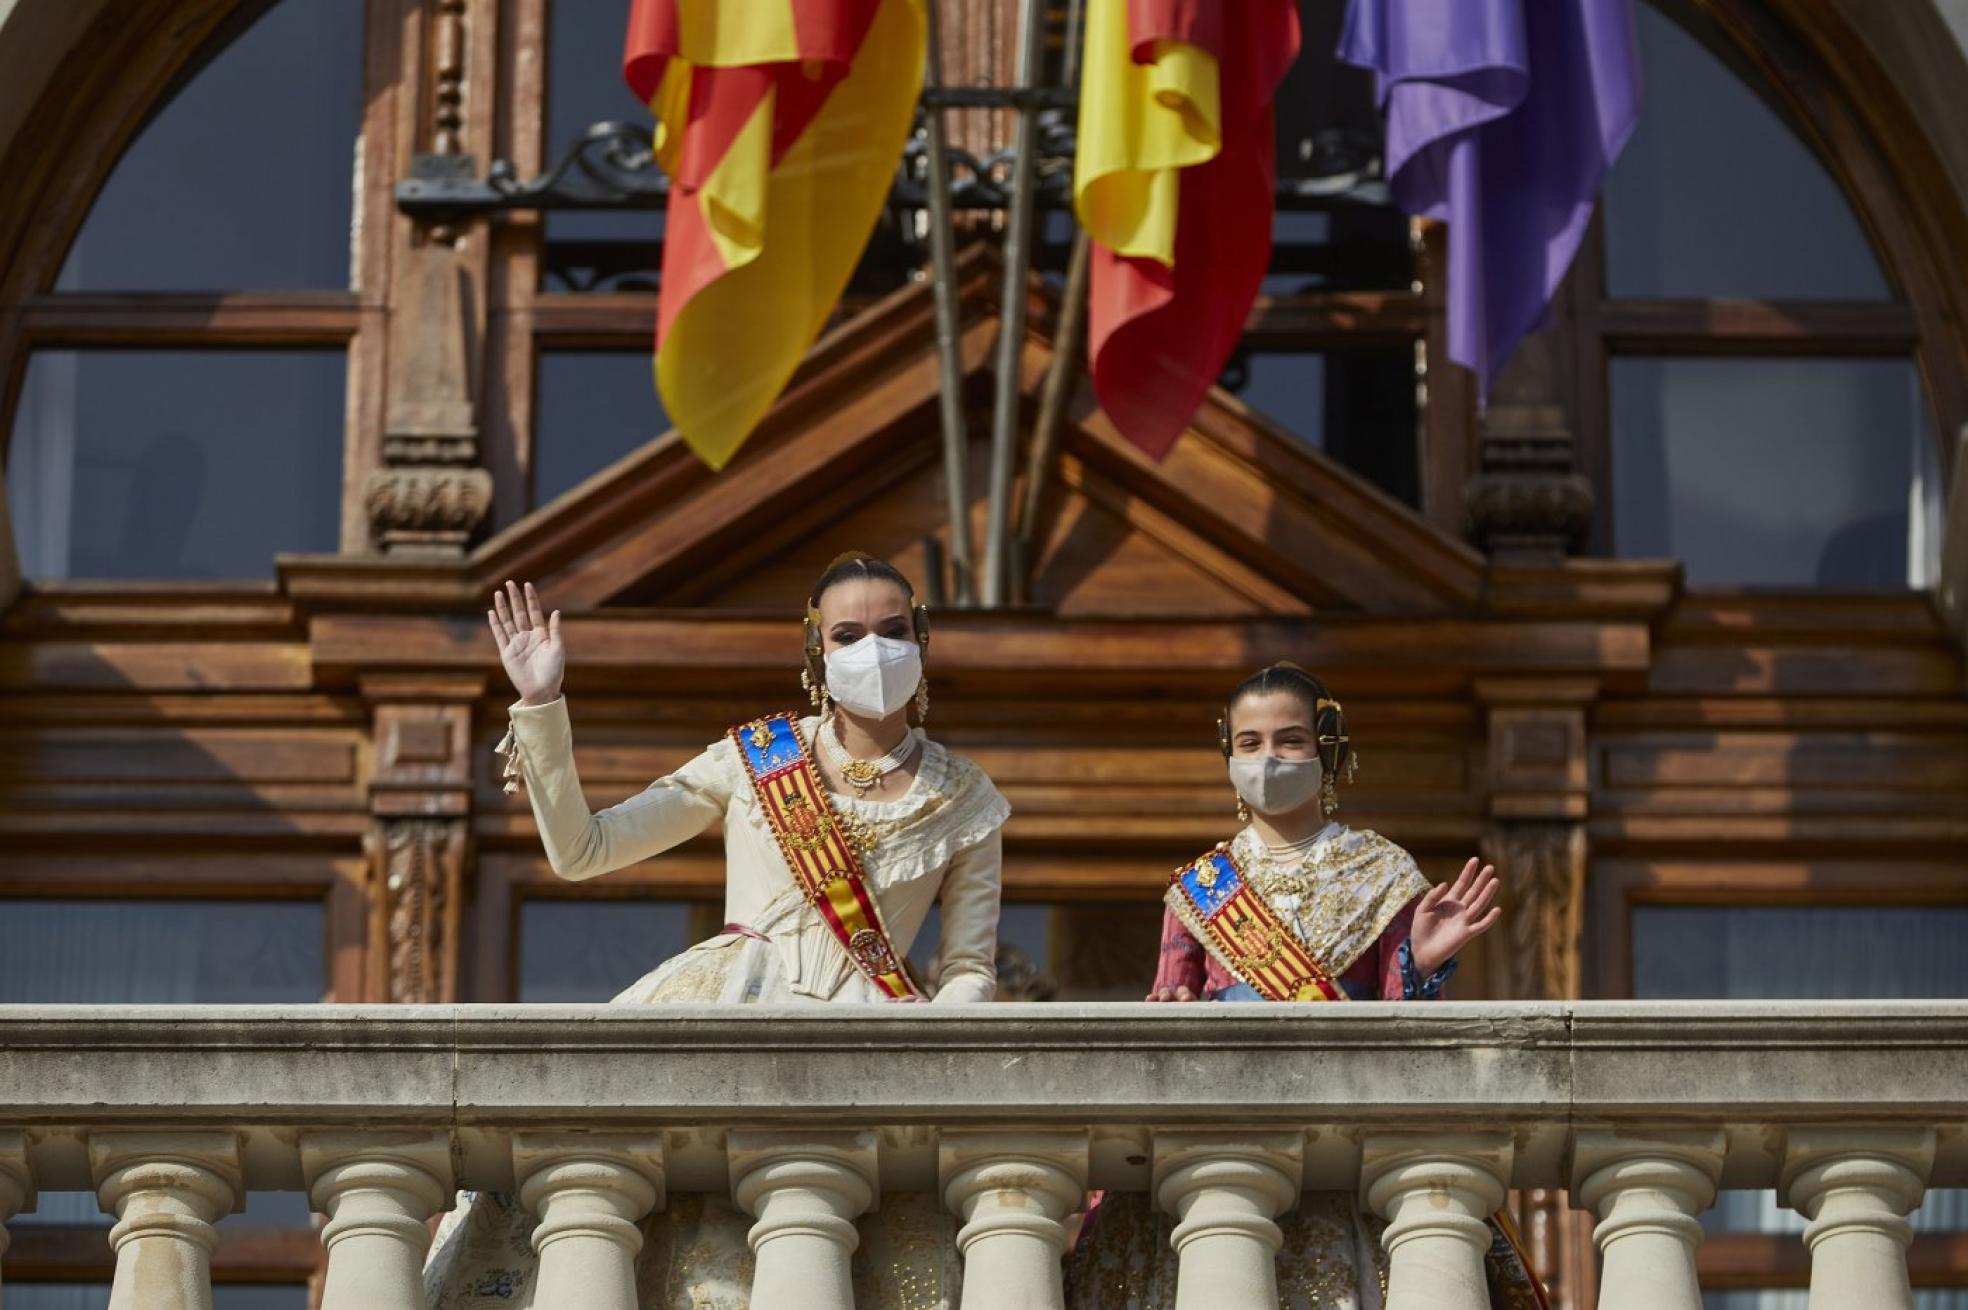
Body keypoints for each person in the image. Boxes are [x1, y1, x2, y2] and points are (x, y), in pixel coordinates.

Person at [425, 553, 1010, 1309]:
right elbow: (584, 851)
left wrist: (938, 1046)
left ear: (922, 641)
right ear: (817, 653)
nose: (875, 649)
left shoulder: (967, 797)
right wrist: (543, 703)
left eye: (894, 630)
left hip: (870, 1037)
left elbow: (967, 966)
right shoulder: (753, 760)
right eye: (850, 633)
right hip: (726, 1006)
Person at [1066, 662, 1545, 1309]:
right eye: (1250, 743)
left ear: (1326, 746)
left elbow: (1400, 1036)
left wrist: (1421, 965)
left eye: (1289, 741)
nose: (1269, 758)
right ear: (1227, 751)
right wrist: (1174, 1012)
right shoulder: (1198, 890)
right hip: (1227, 1139)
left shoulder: (1383, 870)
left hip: (1342, 1144)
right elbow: (1169, 1003)